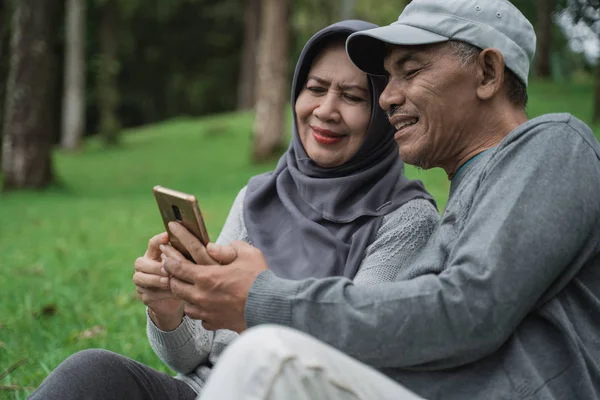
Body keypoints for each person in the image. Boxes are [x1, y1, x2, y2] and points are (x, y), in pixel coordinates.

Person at [158, 1, 600, 399]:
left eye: (410, 72)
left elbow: (467, 311)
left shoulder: (555, 144)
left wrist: (264, 298)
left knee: (265, 357)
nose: (386, 97)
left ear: (487, 73)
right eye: (388, 79)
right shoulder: (462, 205)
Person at [28, 20, 438, 400]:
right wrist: (168, 309)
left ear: (384, 114)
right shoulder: (258, 196)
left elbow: (354, 348)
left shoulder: (405, 219)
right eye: (315, 88)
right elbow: (194, 357)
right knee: (93, 370)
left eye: (352, 96)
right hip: (207, 389)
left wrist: (256, 299)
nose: (326, 110)